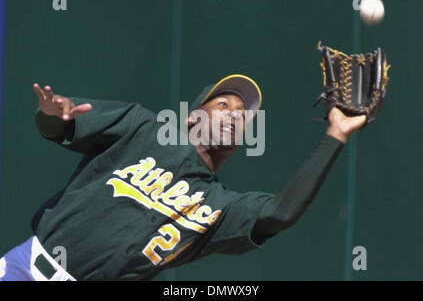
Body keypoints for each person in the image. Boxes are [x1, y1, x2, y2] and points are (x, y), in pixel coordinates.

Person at [0, 74, 365, 281]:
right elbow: (59, 127)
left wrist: (336, 134)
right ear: (191, 117)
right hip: (25, 270)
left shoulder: (219, 207)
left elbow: (280, 214)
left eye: (244, 115)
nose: (235, 115)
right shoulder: (142, 127)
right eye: (223, 105)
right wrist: (50, 115)